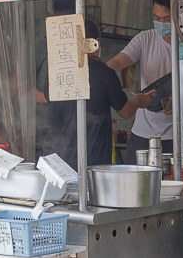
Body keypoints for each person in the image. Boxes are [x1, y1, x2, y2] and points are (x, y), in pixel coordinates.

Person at [42, 19, 153, 168]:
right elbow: (126, 112)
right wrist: (139, 100)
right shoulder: (104, 73)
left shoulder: (55, 74)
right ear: (96, 43)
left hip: (56, 162)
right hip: (92, 163)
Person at [107, 0, 175, 157]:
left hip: (179, 136)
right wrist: (103, 72)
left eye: (167, 18)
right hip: (143, 135)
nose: (161, 23)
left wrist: (179, 101)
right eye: (156, 17)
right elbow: (117, 62)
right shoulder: (145, 39)